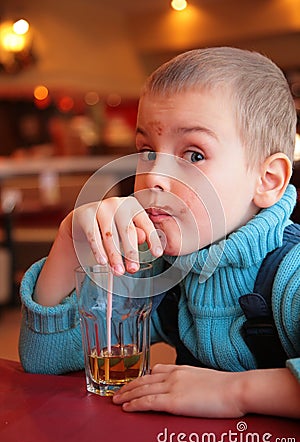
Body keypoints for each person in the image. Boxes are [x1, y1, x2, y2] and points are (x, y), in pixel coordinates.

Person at [19, 47, 300, 418]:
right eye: (148, 152)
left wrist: (236, 392)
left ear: (267, 180)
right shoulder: (159, 271)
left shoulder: (291, 276)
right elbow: (43, 359)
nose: (153, 177)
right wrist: (70, 243)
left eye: (194, 155)